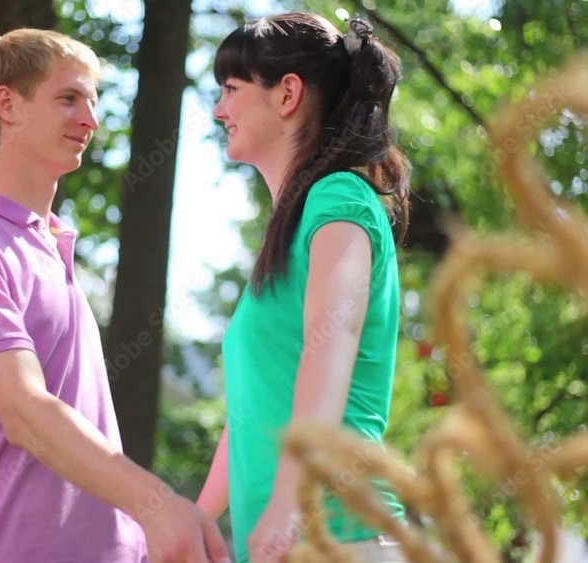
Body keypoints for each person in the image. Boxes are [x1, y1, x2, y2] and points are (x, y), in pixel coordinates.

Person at [0, 28, 230, 563]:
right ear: (7, 105)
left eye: (93, 102)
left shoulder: (51, 245)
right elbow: (24, 410)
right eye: (68, 98)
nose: (91, 120)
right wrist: (155, 504)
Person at [196, 12, 410, 563]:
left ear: (287, 93)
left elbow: (329, 347)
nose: (219, 109)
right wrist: (196, 520)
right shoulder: (288, 234)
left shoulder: (339, 199)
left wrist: (290, 501)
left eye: (232, 89)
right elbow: (247, 414)